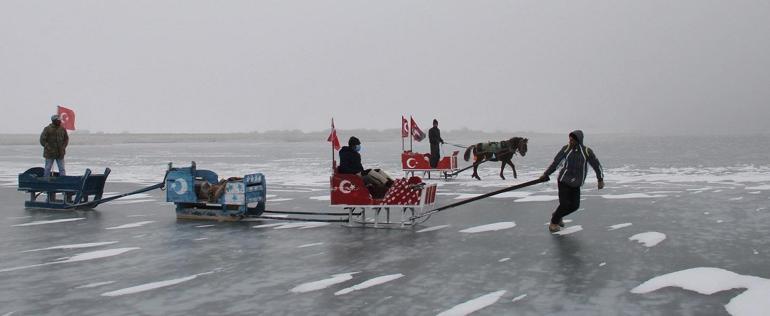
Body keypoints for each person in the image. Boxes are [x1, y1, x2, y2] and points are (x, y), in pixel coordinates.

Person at [540, 130, 604, 232]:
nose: (570, 142)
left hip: (576, 183)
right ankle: (553, 223)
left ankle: (557, 214)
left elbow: (597, 165)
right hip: (563, 181)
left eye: (573, 140)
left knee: (575, 206)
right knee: (564, 204)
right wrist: (546, 174)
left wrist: (600, 179)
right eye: (569, 139)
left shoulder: (587, 151)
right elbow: (556, 163)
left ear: (578, 140)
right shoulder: (566, 149)